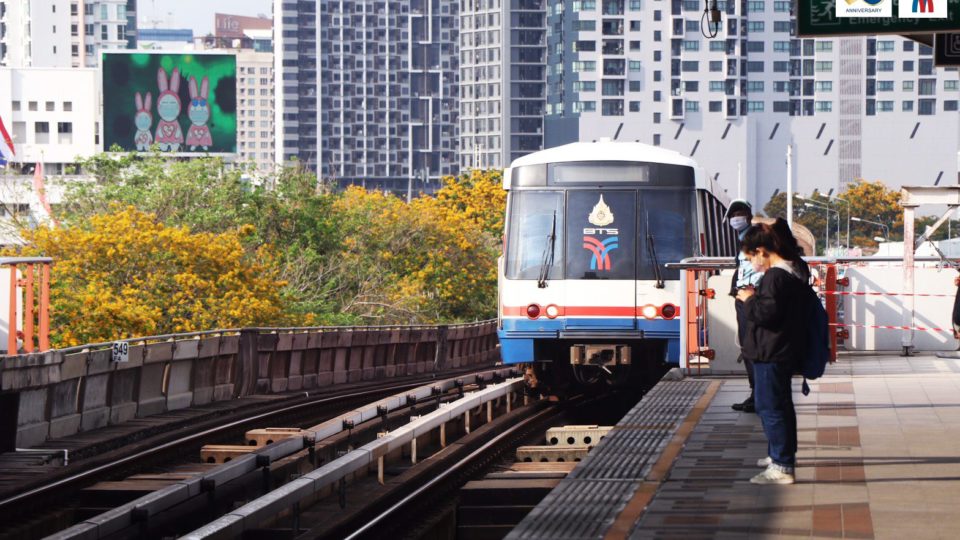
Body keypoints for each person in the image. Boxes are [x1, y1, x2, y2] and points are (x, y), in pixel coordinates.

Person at [736, 218, 811, 485]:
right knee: (781, 406)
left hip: (771, 350)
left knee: (771, 408)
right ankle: (780, 456)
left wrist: (748, 299)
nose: (752, 263)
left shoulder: (775, 277)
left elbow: (767, 314)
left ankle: (781, 465)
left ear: (762, 251)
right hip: (779, 349)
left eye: (751, 256)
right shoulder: (789, 271)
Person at [726, 200, 763, 413]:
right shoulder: (743, 238)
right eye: (733, 214)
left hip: (751, 298)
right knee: (749, 347)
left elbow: (757, 268)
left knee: (752, 347)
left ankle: (758, 395)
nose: (736, 218)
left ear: (748, 216)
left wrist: (750, 291)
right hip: (745, 298)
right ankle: (756, 394)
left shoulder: (754, 237)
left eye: (740, 213)